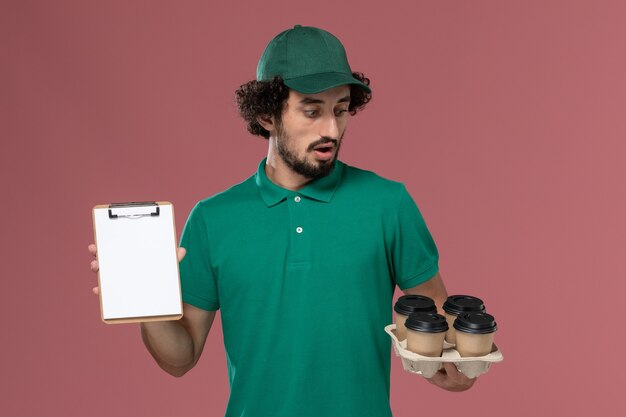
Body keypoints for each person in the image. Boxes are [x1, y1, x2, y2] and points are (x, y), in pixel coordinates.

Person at [88, 25, 475, 417]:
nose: (331, 129)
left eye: (340, 110)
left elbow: (440, 333)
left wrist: (456, 368)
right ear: (266, 115)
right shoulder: (212, 219)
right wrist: (146, 303)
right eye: (312, 110)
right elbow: (180, 358)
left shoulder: (388, 204)